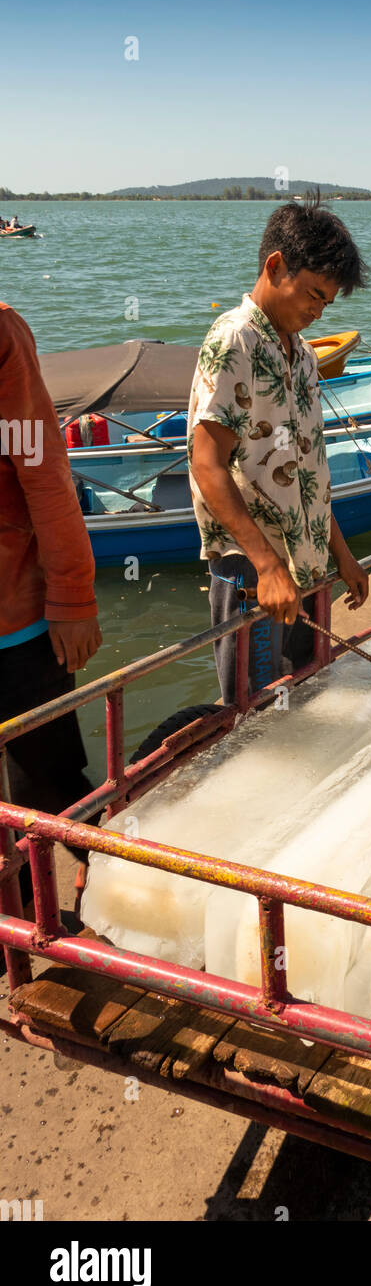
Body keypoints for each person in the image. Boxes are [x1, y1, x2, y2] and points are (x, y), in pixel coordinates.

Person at [188, 194, 370, 703]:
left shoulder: (305, 353)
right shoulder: (233, 341)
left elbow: (310, 470)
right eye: (312, 294)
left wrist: (344, 556)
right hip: (254, 572)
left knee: (305, 700)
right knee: (255, 711)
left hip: (308, 567)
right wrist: (267, 567)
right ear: (275, 266)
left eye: (326, 303)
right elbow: (207, 466)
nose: (317, 310)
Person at [0, 302, 103, 903]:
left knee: (50, 780)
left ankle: (107, 871)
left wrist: (71, 596)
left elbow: (41, 468)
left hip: (17, 621)